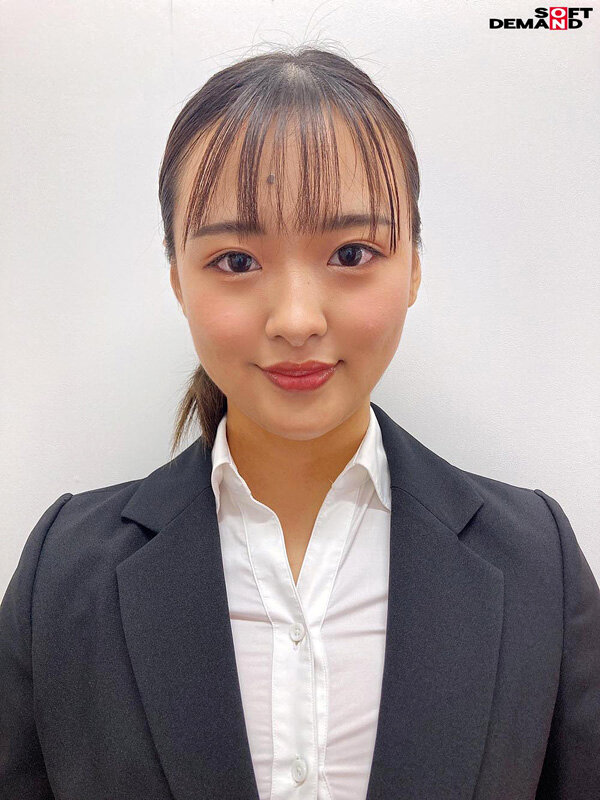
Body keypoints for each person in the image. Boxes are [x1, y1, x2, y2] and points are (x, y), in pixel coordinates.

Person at [1, 46, 598, 800]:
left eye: (351, 252)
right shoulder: (63, 575)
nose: (295, 319)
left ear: (414, 263)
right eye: (235, 261)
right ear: (176, 276)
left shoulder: (536, 562)